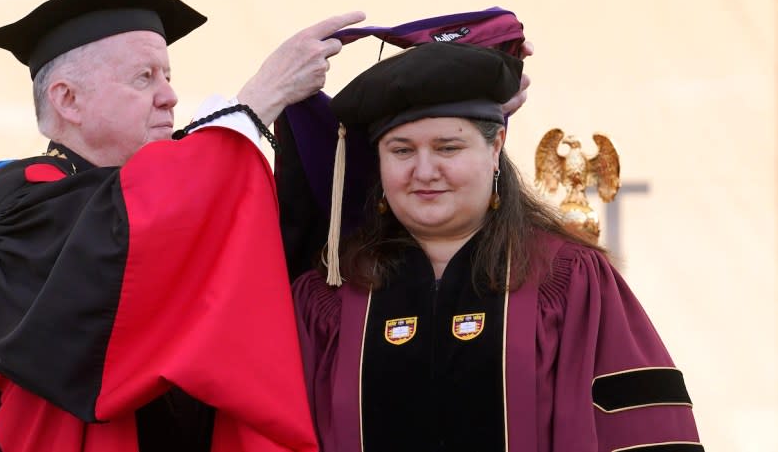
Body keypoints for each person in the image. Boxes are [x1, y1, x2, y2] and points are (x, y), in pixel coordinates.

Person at [0, 0, 368, 452]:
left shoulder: (153, 194)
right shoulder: (19, 200)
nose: (170, 97)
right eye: (144, 78)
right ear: (67, 99)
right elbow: (131, 230)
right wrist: (254, 104)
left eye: (169, 76)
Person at [291, 42, 704, 451]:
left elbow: (642, 430)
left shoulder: (569, 279)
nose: (424, 170)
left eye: (447, 147)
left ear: (496, 147)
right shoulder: (331, 297)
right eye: (401, 151)